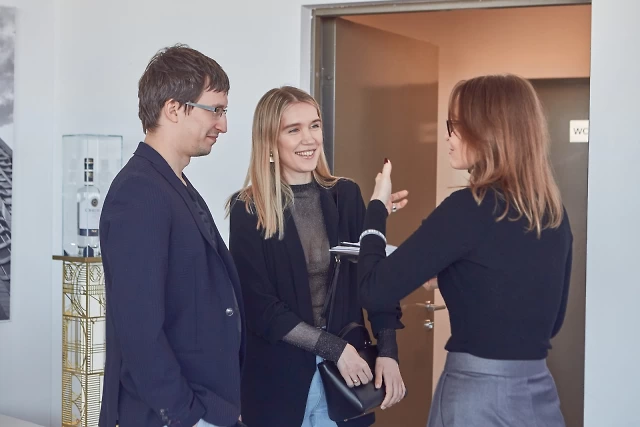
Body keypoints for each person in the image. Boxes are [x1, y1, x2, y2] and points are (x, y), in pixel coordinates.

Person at [357, 74, 573, 427]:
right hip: (538, 396)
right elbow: (551, 319)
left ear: (487, 131)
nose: (448, 136)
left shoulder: (468, 208)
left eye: (454, 125)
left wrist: (376, 210)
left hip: (477, 397)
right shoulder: (551, 213)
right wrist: (456, 277)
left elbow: (373, 289)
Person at [227, 86, 406, 427]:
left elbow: (376, 281)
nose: (309, 138)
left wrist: (388, 351)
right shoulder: (248, 209)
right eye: (293, 130)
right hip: (277, 380)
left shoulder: (346, 195)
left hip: (347, 379)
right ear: (270, 141)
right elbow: (259, 307)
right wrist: (335, 349)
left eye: (314, 125)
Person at [99, 44, 245, 427]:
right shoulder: (139, 193)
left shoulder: (173, 184)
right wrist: (188, 416)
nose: (223, 125)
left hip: (207, 405)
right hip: (170, 415)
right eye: (215, 110)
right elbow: (139, 330)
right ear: (174, 109)